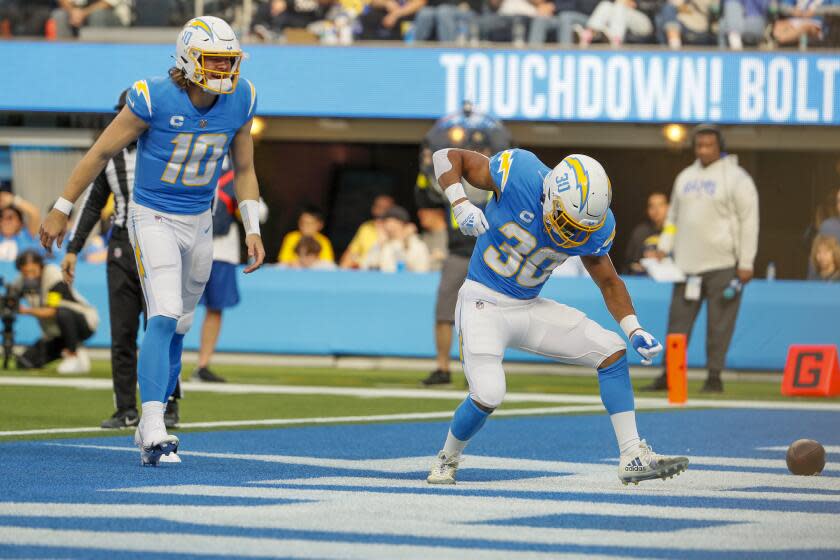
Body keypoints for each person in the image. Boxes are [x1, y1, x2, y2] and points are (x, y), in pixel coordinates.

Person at [39, 16, 266, 466]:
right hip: (154, 215)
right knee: (161, 314)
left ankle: (152, 418)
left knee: (180, 324)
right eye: (214, 60)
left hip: (201, 218)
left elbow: (243, 169)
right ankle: (153, 423)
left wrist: (253, 227)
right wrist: (63, 207)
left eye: (229, 61)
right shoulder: (151, 96)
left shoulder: (243, 97)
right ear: (188, 59)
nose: (224, 71)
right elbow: (101, 152)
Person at [425, 147, 689, 486]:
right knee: (489, 392)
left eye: (581, 227)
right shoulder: (519, 173)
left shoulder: (594, 227)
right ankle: (447, 458)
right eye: (566, 221)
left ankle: (632, 456)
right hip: (483, 301)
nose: (571, 234)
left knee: (611, 350)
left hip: (528, 306)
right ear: (549, 193)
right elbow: (446, 156)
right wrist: (460, 201)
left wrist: (634, 328)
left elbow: (609, 281)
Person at [62, 89, 184, 430]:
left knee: (162, 325)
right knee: (123, 331)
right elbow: (93, 203)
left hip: (160, 241)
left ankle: (168, 403)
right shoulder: (111, 156)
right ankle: (126, 407)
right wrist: (73, 248)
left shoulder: (167, 148)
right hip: (121, 245)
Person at [643, 124, 759, 394]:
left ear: (720, 146)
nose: (704, 149)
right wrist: (664, 246)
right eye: (699, 145)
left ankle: (714, 376)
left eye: (709, 145)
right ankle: (669, 375)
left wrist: (746, 262)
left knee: (719, 327)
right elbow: (672, 219)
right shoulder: (684, 177)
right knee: (677, 324)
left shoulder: (737, 178)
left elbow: (749, 222)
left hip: (723, 265)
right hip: (685, 266)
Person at [417, 103, 510, 387]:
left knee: (487, 316)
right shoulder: (453, 178)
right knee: (444, 311)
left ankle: (484, 370)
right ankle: (443, 367)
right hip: (458, 251)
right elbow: (428, 185)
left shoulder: (499, 178)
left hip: (487, 253)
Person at [194, 157, 269, 384]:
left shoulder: (237, 168)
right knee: (175, 308)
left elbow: (261, 212)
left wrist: (240, 207)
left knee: (215, 308)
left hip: (223, 250)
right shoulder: (194, 163)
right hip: (190, 246)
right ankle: (168, 362)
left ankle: (203, 364)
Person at [14, 250, 98, 374]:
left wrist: (26, 311)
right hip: (55, 333)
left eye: (33, 271)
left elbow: (51, 311)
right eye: (25, 272)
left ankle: (73, 355)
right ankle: (77, 349)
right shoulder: (21, 280)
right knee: (25, 361)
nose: (29, 276)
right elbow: (11, 299)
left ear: (40, 266)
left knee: (62, 312)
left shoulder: (53, 275)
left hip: (83, 322)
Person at [362, 206, 431, 272]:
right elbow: (366, 266)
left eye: (389, 221)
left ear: (400, 222)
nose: (386, 225)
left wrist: (403, 241)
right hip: (383, 282)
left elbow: (419, 270)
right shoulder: (382, 243)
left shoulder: (416, 244)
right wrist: (380, 245)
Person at [340, 194, 394, 268]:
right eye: (379, 207)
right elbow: (351, 252)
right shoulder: (366, 227)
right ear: (373, 209)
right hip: (364, 270)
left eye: (386, 208)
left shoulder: (396, 230)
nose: (382, 211)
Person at [623, 192, 668, 275]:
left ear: (668, 207)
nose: (656, 210)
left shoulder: (676, 232)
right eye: (652, 206)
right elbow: (630, 263)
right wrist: (637, 267)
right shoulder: (640, 232)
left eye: (660, 205)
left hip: (670, 277)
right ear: (648, 210)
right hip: (645, 278)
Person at [574, 0, 655, 46]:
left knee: (619, 6)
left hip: (645, 22)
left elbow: (651, 6)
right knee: (606, 4)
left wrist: (633, 3)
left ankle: (615, 40)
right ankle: (589, 34)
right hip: (622, 16)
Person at [528, 0, 602, 44]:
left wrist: (554, 7)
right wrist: (543, 6)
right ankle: (533, 52)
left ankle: (565, 51)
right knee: (540, 19)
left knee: (565, 17)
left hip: (589, 18)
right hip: (559, 16)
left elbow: (582, 6)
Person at [0, 190, 42, 262]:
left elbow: (34, 213)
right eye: (1, 217)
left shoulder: (27, 235)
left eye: (10, 218)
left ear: (20, 222)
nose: (5, 221)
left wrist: (13, 200)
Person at [52, 0, 128, 38]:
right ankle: (65, 55)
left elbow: (108, 3)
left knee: (98, 15)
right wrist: (72, 11)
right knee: (60, 15)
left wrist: (83, 13)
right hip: (78, 14)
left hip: (113, 17)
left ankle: (96, 55)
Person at [417, 206, 448, 271]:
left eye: (426, 211)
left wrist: (444, 257)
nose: (420, 214)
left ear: (439, 213)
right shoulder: (423, 237)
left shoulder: (453, 236)